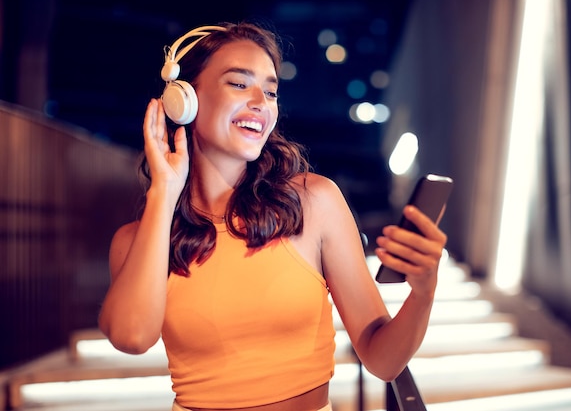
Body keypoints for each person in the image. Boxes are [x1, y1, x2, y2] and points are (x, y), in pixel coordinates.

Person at [98, 21, 448, 411]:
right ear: (185, 100)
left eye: (270, 91)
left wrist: (423, 292)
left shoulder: (314, 202)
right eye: (239, 84)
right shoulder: (139, 239)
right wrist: (163, 193)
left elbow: (383, 361)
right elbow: (132, 337)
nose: (261, 103)